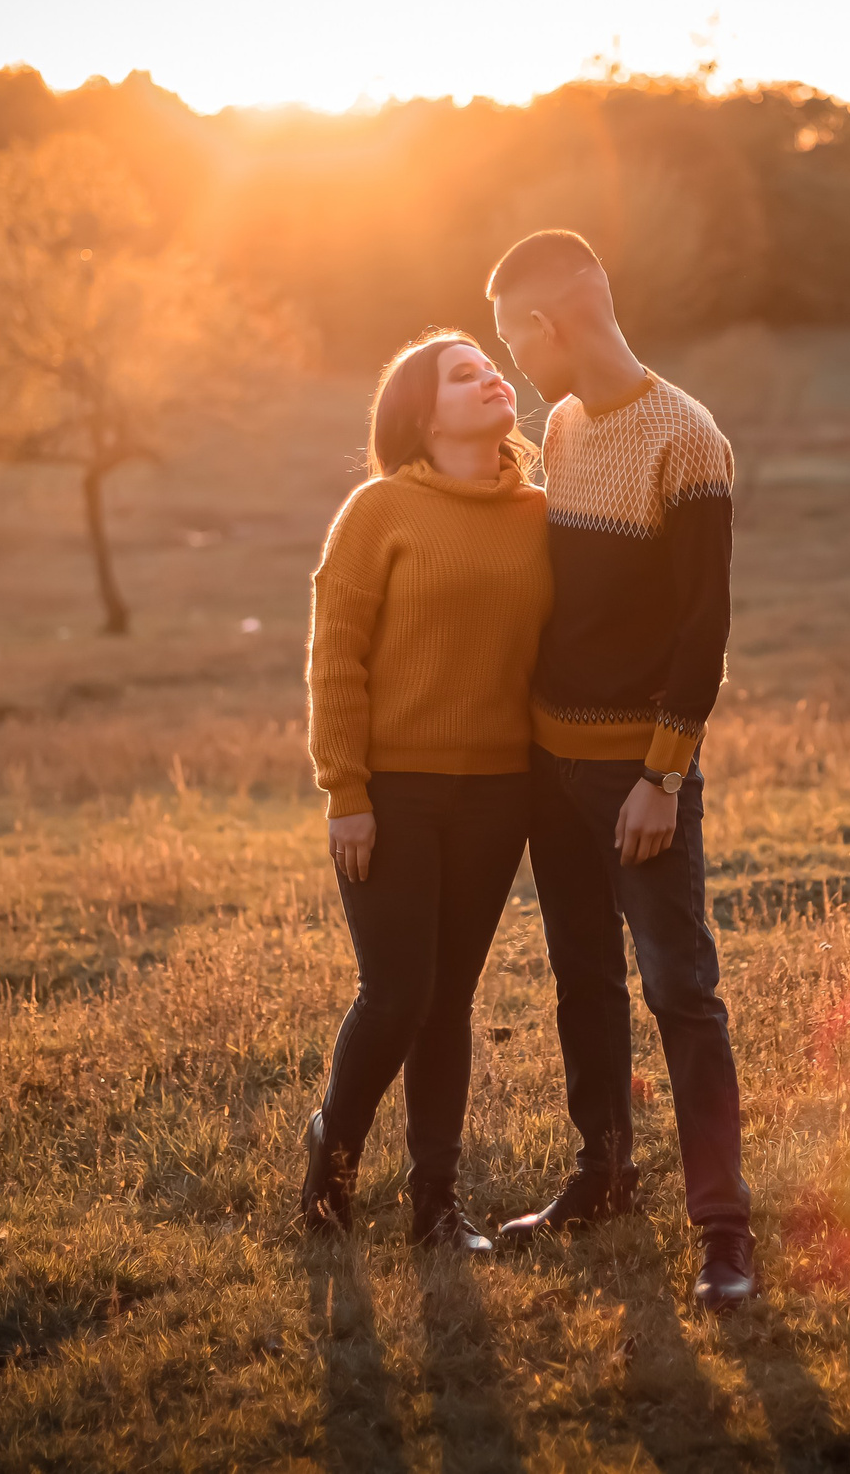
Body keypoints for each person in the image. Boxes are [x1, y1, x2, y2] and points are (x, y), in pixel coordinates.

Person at [484, 230, 756, 1313]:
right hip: (550, 770)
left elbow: (703, 635)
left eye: (515, 339)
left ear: (549, 325)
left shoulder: (688, 442)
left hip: (634, 777)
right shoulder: (560, 424)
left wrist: (660, 777)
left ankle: (723, 1229)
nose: (513, 366)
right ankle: (601, 1175)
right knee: (580, 975)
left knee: (680, 990)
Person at [298, 330, 550, 1252]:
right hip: (393, 794)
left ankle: (436, 1204)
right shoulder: (378, 510)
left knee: (449, 1001)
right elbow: (339, 660)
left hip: (498, 794)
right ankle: (333, 1156)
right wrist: (346, 790)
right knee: (398, 992)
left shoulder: (539, 514)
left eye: (490, 364)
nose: (490, 375)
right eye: (461, 371)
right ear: (420, 411)